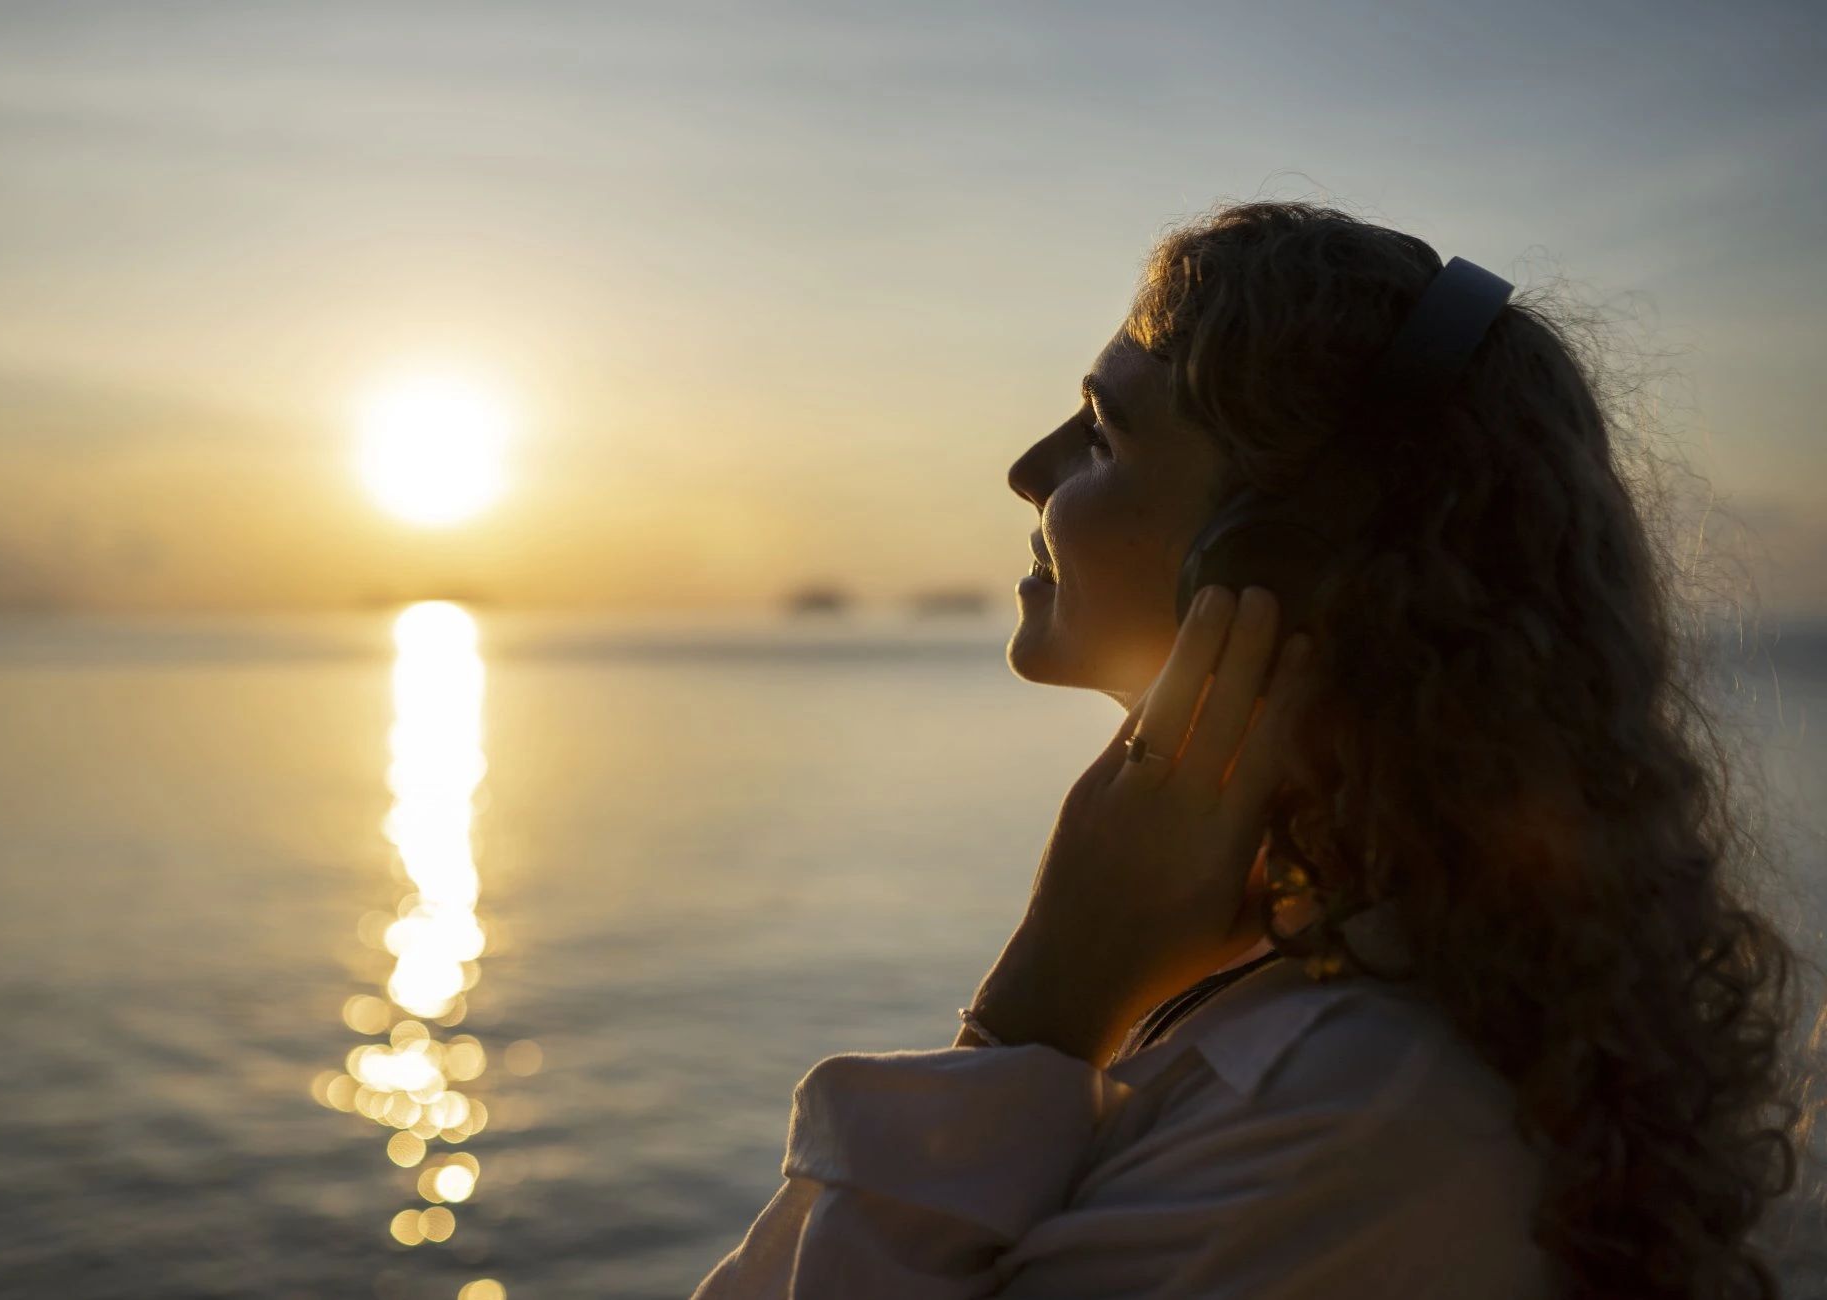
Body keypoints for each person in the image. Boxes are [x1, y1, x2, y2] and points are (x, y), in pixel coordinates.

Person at [689, 200, 1810, 1299]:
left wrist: (1038, 1005)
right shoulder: (1309, 992)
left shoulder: (1343, 1116)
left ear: (1283, 559)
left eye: (1100, 432)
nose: (1028, 470)